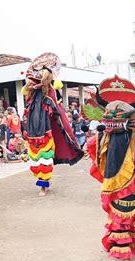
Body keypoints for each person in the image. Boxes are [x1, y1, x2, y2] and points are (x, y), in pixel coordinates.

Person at [85, 75, 135, 261]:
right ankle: (122, 249)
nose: (113, 119)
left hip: (132, 181)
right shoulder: (104, 135)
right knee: (118, 214)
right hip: (113, 178)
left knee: (128, 212)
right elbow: (95, 150)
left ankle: (128, 251)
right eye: (110, 116)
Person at [22, 53, 83, 196]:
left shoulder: (50, 92)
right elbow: (26, 112)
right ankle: (42, 183)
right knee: (35, 160)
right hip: (32, 132)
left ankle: (44, 186)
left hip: (45, 132)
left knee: (44, 158)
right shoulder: (31, 94)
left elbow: (57, 112)